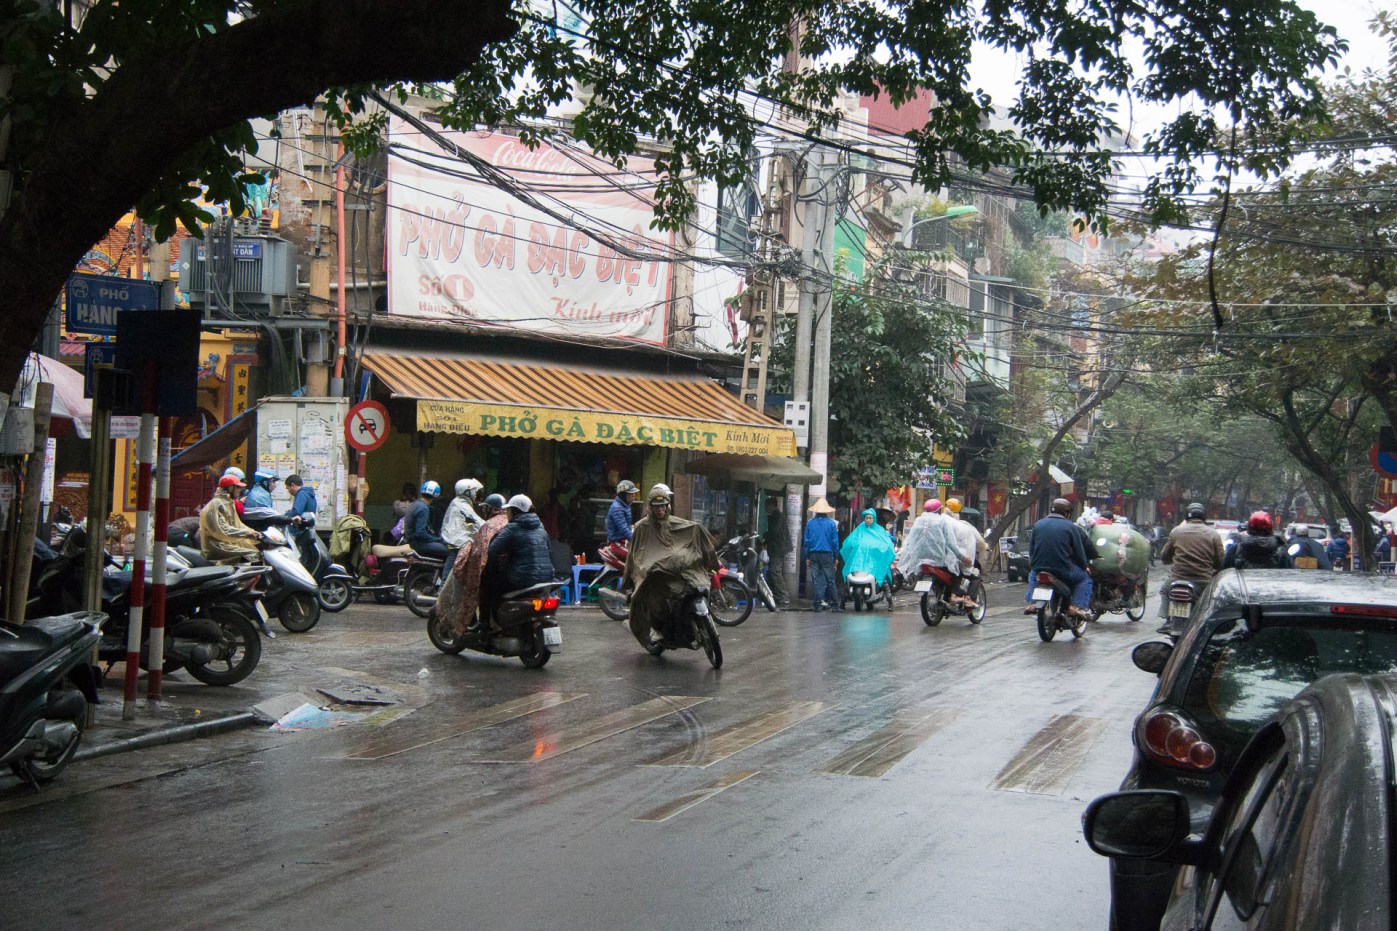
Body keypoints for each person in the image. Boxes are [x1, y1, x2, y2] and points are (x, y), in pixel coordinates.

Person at [622, 484, 720, 649]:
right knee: (655, 605)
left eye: (663, 506)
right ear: (650, 507)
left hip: (679, 574)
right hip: (655, 579)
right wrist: (633, 577)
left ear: (668, 506)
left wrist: (711, 563)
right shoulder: (641, 528)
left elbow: (696, 534)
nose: (660, 510)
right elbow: (634, 555)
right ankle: (657, 633)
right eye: (656, 506)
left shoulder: (679, 524)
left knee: (694, 587)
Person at [485, 495, 557, 622]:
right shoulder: (541, 528)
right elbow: (550, 552)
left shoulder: (512, 527)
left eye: (508, 510)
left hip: (521, 579)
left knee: (491, 589)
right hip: (546, 578)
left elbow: (492, 551)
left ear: (514, 511)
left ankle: (488, 626)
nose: (507, 513)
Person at [446, 493, 510, 635]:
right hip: (510, 569)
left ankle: (483, 623)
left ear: (490, 509)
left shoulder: (490, 525)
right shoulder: (511, 523)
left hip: (499, 571)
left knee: (481, 587)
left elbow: (479, 554)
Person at [1025, 497, 1093, 618]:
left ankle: (1032, 603)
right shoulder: (1071, 527)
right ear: (1066, 513)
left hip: (1039, 567)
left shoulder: (1038, 524)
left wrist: (1033, 564)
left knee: (1033, 576)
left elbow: (1032, 549)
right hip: (1063, 569)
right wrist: (1084, 566)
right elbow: (1079, 551)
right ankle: (1075, 606)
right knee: (1085, 579)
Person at [1160, 501, 1225, 623]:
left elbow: (1165, 556)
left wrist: (1169, 560)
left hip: (1177, 579)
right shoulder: (1213, 533)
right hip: (1203, 581)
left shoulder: (1176, 531)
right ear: (1204, 516)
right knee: (1212, 600)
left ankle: (1167, 620)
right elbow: (1220, 560)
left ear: (1186, 515)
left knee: (1164, 590)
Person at [895, 499, 968, 600]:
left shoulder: (918, 520)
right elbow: (951, 543)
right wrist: (962, 557)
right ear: (938, 510)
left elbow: (909, 540)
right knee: (956, 572)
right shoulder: (942, 521)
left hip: (919, 560)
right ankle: (953, 595)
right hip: (939, 560)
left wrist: (901, 554)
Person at [839, 509, 897, 607]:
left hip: (873, 563)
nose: (868, 520)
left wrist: (880, 548)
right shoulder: (859, 529)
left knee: (882, 579)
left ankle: (890, 602)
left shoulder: (879, 530)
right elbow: (850, 541)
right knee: (848, 578)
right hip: (858, 563)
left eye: (870, 518)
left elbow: (885, 542)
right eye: (867, 518)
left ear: (874, 519)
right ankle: (842, 602)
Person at [199, 474, 262, 563]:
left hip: (227, 542)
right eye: (238, 487)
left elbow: (237, 524)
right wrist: (246, 533)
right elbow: (222, 530)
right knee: (254, 554)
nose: (239, 490)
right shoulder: (216, 504)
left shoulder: (229, 502)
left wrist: (253, 532)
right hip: (216, 545)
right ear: (231, 488)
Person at [945, 498, 988, 606]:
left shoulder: (940, 521)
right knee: (974, 576)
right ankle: (969, 598)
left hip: (938, 560)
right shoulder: (964, 525)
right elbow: (980, 542)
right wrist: (985, 546)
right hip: (958, 559)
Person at [440, 478, 486, 580]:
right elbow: (475, 520)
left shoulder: (460, 502)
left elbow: (469, 522)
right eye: (474, 491)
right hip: (454, 542)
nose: (475, 493)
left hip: (454, 537)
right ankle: (443, 586)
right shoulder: (461, 504)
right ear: (467, 491)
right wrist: (489, 526)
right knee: (453, 568)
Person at [803, 497, 840, 611]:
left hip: (813, 554)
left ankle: (818, 605)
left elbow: (806, 542)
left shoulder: (810, 524)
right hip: (827, 554)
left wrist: (807, 557)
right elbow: (835, 542)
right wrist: (836, 557)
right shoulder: (831, 524)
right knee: (830, 580)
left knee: (817, 580)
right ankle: (835, 605)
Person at [404, 480, 450, 564]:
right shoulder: (423, 508)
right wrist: (438, 540)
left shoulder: (415, 504)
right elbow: (421, 533)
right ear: (436, 495)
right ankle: (445, 576)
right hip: (418, 544)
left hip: (411, 541)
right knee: (450, 551)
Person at [763, 495, 792, 607]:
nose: (766, 508)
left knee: (775, 571)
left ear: (772, 506)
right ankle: (774, 594)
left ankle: (784, 596)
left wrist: (765, 537)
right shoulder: (774, 516)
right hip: (776, 547)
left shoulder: (777, 516)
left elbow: (774, 531)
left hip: (778, 548)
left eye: (767, 506)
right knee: (772, 571)